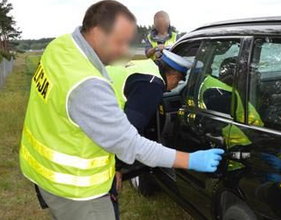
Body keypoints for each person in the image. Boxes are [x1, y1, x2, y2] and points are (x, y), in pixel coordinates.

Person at [19, 1, 224, 220]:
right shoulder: (91, 85)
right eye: (121, 42)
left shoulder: (60, 46)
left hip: (44, 171)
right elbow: (129, 141)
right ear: (97, 32)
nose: (124, 51)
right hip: (78, 189)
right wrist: (189, 160)